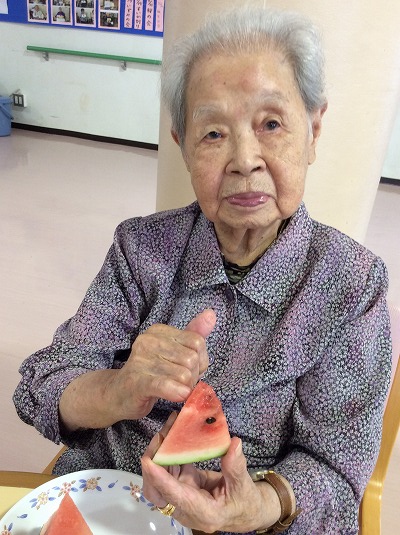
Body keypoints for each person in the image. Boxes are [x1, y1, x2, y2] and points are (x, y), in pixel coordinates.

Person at [13, 6, 391, 535]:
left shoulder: (352, 284)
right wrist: (117, 389)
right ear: (183, 146)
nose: (244, 159)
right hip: (111, 502)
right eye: (213, 133)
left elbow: (336, 471)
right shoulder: (140, 248)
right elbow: (40, 386)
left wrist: (255, 506)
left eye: (271, 124)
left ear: (314, 128)